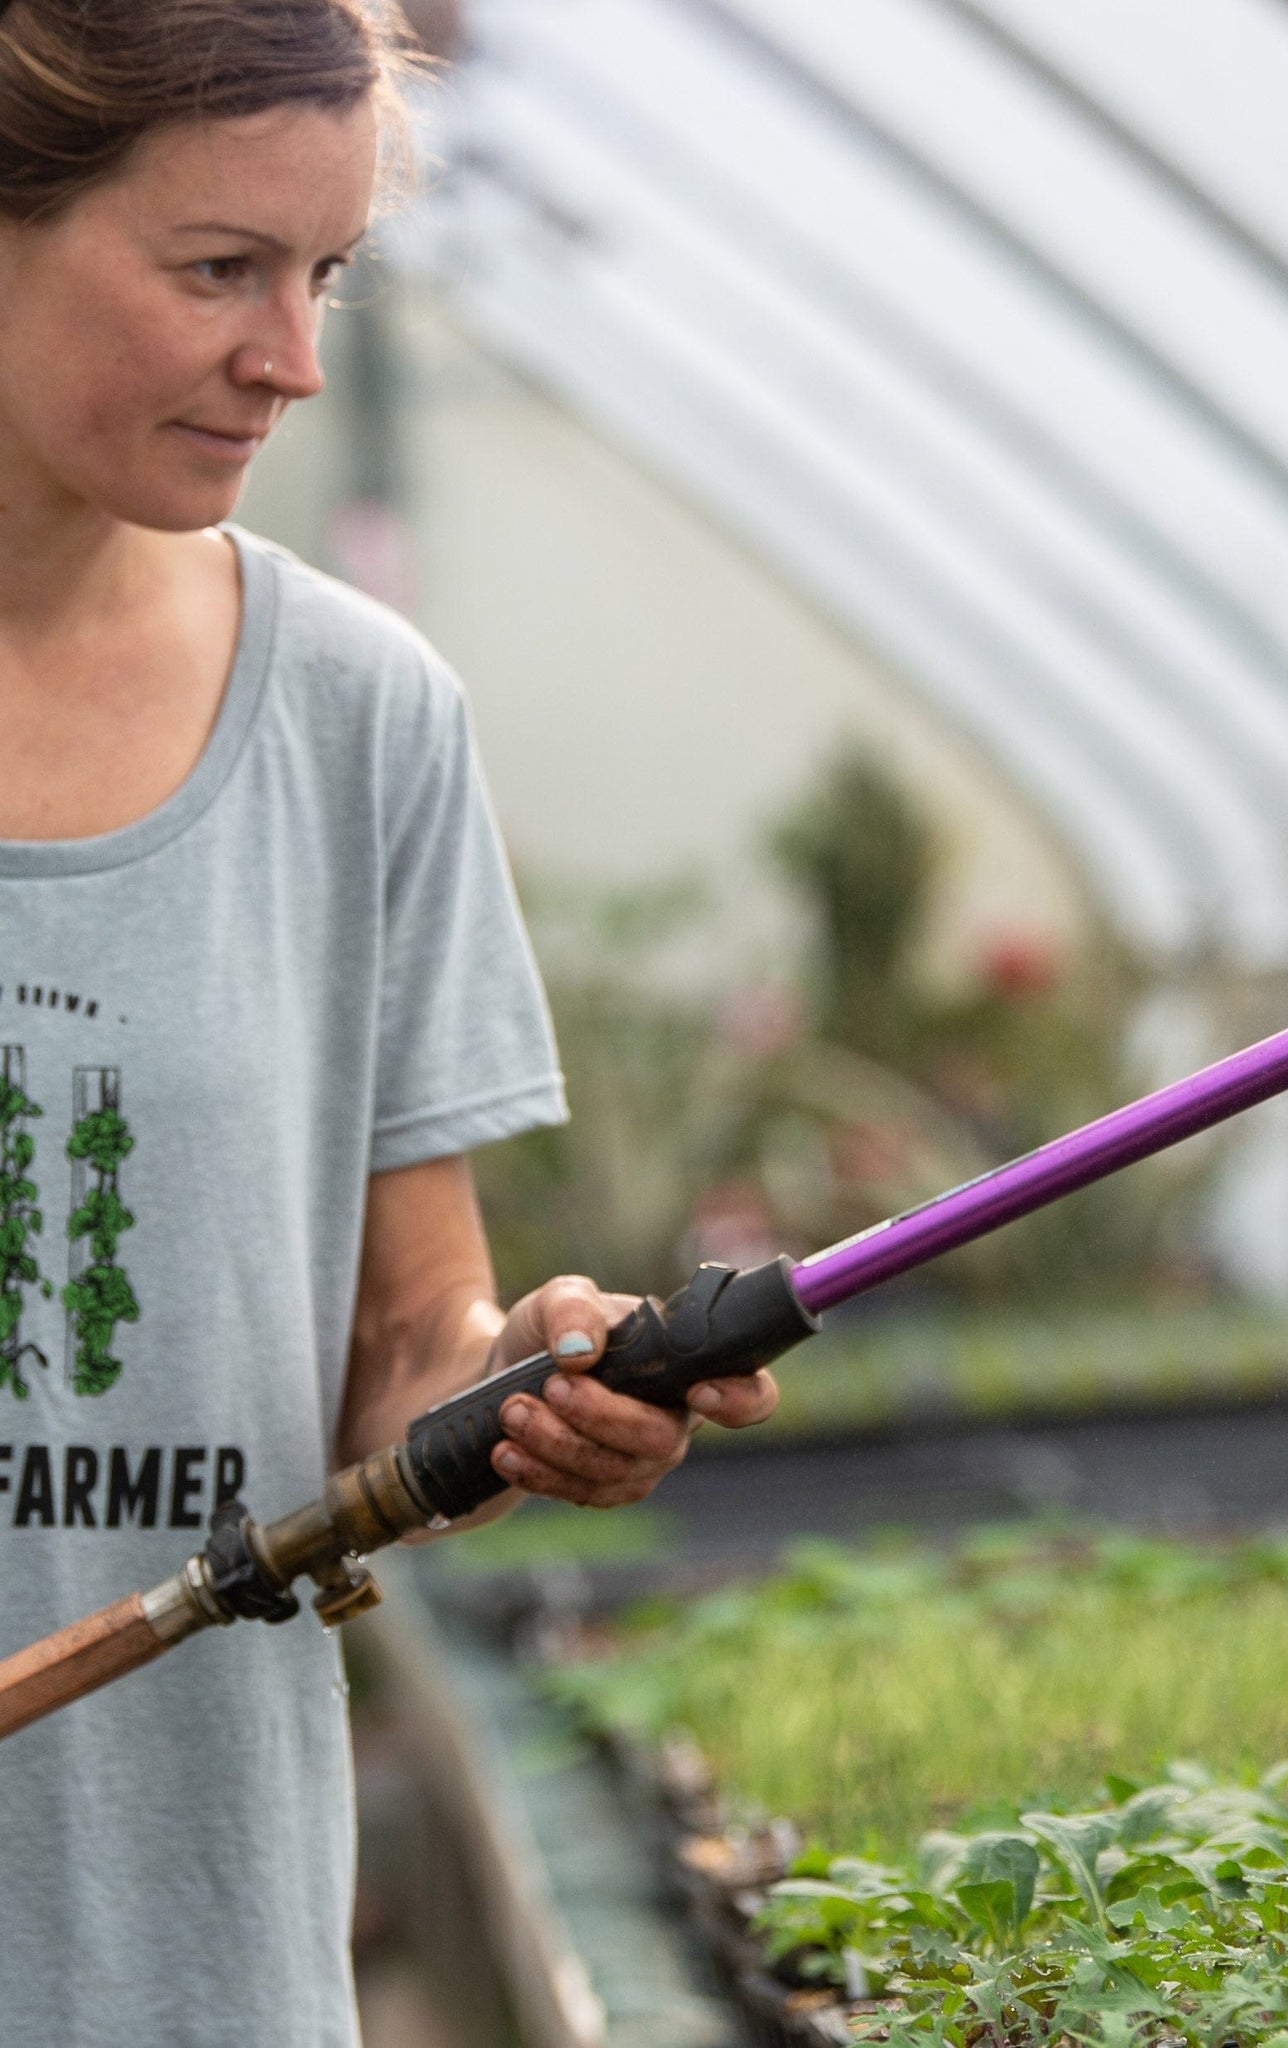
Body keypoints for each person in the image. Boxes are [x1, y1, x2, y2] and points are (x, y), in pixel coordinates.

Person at [0, 1, 779, 2038]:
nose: (297, 357)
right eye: (219, 270)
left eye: (326, 271)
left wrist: (515, 1380)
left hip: (198, 1955)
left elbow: (389, 1348)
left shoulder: (358, 721)